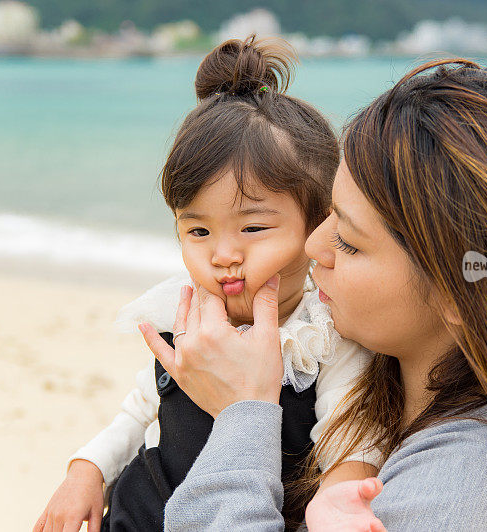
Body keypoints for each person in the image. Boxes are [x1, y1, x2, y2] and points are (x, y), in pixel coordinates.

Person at [140, 58, 487, 531]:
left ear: (460, 294)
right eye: (329, 214)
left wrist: (242, 415)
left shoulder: (463, 486)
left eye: (348, 241)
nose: (313, 244)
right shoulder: (380, 400)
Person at [34, 36, 384, 532]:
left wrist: (341, 499)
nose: (223, 255)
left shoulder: (323, 336)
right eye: (198, 230)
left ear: (319, 224)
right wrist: (86, 470)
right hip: (141, 512)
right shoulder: (183, 310)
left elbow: (351, 433)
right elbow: (140, 411)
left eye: (254, 228)